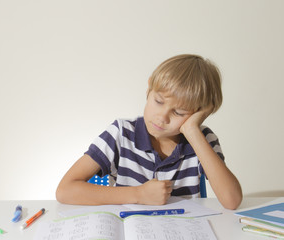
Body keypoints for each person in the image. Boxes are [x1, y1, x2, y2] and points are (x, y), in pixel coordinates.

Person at [56, 54, 242, 210]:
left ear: (199, 114)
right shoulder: (121, 133)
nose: (162, 117)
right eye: (159, 101)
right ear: (149, 88)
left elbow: (232, 201)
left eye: (179, 112)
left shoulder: (203, 140)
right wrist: (138, 194)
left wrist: (193, 131)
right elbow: (65, 190)